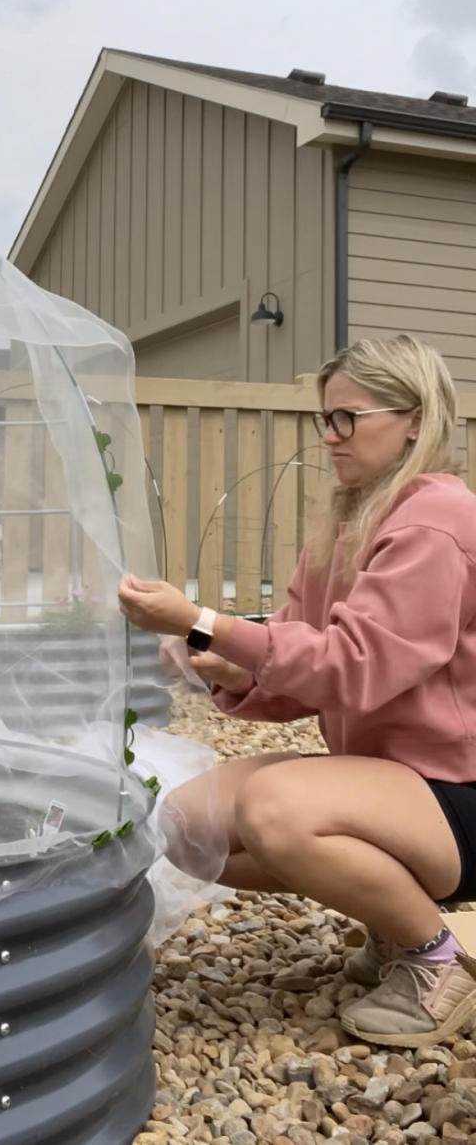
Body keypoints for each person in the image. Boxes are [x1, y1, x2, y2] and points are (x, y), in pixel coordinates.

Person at [118, 334, 476, 1048]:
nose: (330, 435)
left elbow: (351, 666)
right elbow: (300, 659)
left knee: (275, 811)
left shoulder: (437, 521)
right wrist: (223, 662)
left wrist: (199, 618)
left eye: (349, 417)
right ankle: (390, 914)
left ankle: (435, 957)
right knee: (190, 827)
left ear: (413, 417)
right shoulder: (351, 521)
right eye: (325, 417)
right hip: (394, 782)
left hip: (455, 790)